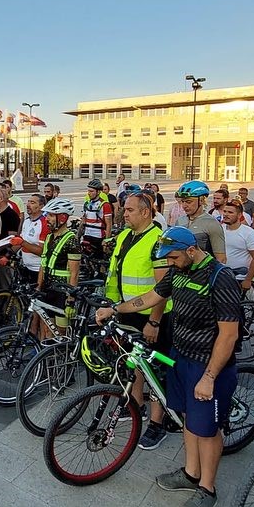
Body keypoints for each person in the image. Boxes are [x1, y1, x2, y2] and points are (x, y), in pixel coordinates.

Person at [95, 226, 243, 507]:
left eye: (174, 258)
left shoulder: (219, 277)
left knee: (208, 430)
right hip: (180, 358)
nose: (170, 263)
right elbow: (151, 297)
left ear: (191, 251)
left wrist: (209, 377)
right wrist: (115, 310)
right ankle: (190, 473)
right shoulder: (178, 271)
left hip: (207, 364)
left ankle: (207, 488)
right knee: (188, 417)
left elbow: (229, 335)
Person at [103, 192, 170, 449]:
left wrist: (154, 321)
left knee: (153, 371)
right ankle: (136, 407)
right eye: (124, 209)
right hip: (128, 312)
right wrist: (112, 306)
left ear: (146, 212)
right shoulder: (125, 235)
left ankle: (157, 423)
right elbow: (115, 273)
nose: (124, 213)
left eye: (129, 210)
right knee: (134, 364)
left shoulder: (158, 241)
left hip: (152, 316)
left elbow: (163, 287)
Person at [174, 180, 227, 263]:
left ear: (201, 201)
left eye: (189, 201)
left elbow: (221, 259)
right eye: (182, 201)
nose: (184, 206)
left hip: (203, 273)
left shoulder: (212, 223)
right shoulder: (180, 221)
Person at [221, 199, 254, 295]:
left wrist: (248, 280)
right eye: (225, 211)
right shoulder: (220, 229)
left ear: (239, 215)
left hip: (239, 276)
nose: (226, 214)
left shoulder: (249, 233)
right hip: (220, 274)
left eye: (230, 212)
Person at [16, 194, 49, 284]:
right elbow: (19, 242)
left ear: (41, 206)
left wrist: (23, 243)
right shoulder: (27, 221)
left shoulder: (44, 223)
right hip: (25, 267)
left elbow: (42, 251)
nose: (28, 205)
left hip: (38, 269)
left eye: (32, 202)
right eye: (28, 202)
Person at [80, 178, 113, 255]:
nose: (89, 193)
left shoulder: (105, 205)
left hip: (98, 237)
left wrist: (107, 240)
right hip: (87, 235)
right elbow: (83, 221)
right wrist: (78, 236)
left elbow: (109, 224)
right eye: (88, 191)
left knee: (99, 260)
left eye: (91, 191)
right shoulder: (87, 204)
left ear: (98, 192)